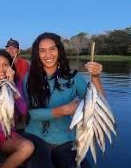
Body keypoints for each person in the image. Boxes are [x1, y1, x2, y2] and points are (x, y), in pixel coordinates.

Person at [22, 32, 104, 168]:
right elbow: (33, 114)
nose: (48, 55)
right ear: (37, 54)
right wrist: (65, 110)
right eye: (42, 51)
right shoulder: (29, 78)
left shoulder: (74, 77)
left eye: (52, 49)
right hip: (34, 137)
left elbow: (99, 105)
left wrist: (95, 77)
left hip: (66, 140)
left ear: (59, 50)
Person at [5, 38, 30, 130]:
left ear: (18, 50)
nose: (10, 50)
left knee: (20, 91)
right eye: (8, 48)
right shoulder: (4, 62)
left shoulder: (24, 63)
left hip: (20, 86)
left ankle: (23, 122)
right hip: (8, 86)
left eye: (14, 48)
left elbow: (22, 81)